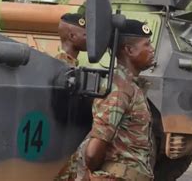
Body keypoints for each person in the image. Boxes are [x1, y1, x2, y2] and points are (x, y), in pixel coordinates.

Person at [84, 19, 155, 181]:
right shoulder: (119, 90)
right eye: (147, 45)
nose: (152, 50)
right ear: (129, 50)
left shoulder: (131, 86)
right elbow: (92, 153)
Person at [54, 12, 87, 181]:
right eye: (85, 34)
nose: (89, 39)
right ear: (72, 36)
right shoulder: (60, 67)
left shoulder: (72, 67)